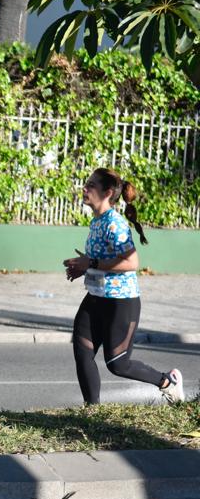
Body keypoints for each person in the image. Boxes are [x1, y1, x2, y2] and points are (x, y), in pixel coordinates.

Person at [62, 168, 184, 405]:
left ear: (107, 193)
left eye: (90, 186)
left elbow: (131, 262)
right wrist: (84, 267)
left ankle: (168, 382)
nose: (84, 189)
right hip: (96, 297)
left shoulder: (115, 224)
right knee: (82, 350)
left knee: (118, 364)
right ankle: (92, 411)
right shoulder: (97, 221)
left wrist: (92, 262)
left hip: (121, 302)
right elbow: (103, 261)